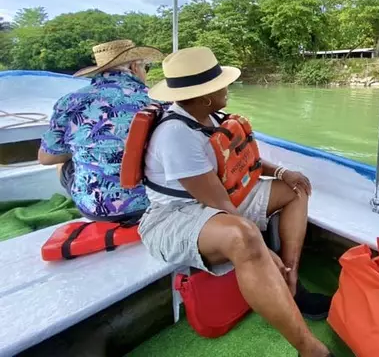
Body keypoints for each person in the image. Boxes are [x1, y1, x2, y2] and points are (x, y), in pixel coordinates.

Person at [139, 47, 334, 357]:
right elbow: (219, 204)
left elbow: (243, 159)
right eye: (222, 85)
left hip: (220, 199)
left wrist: (282, 172)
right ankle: (309, 348)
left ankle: (292, 280)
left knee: (296, 190)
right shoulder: (177, 134)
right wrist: (266, 252)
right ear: (204, 96)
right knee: (244, 237)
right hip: (175, 216)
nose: (227, 89)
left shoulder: (209, 116)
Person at [38, 39, 163, 223]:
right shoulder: (159, 99)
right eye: (147, 68)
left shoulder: (70, 101)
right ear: (136, 67)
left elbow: (46, 158)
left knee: (62, 160)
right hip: (155, 201)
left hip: (97, 209)